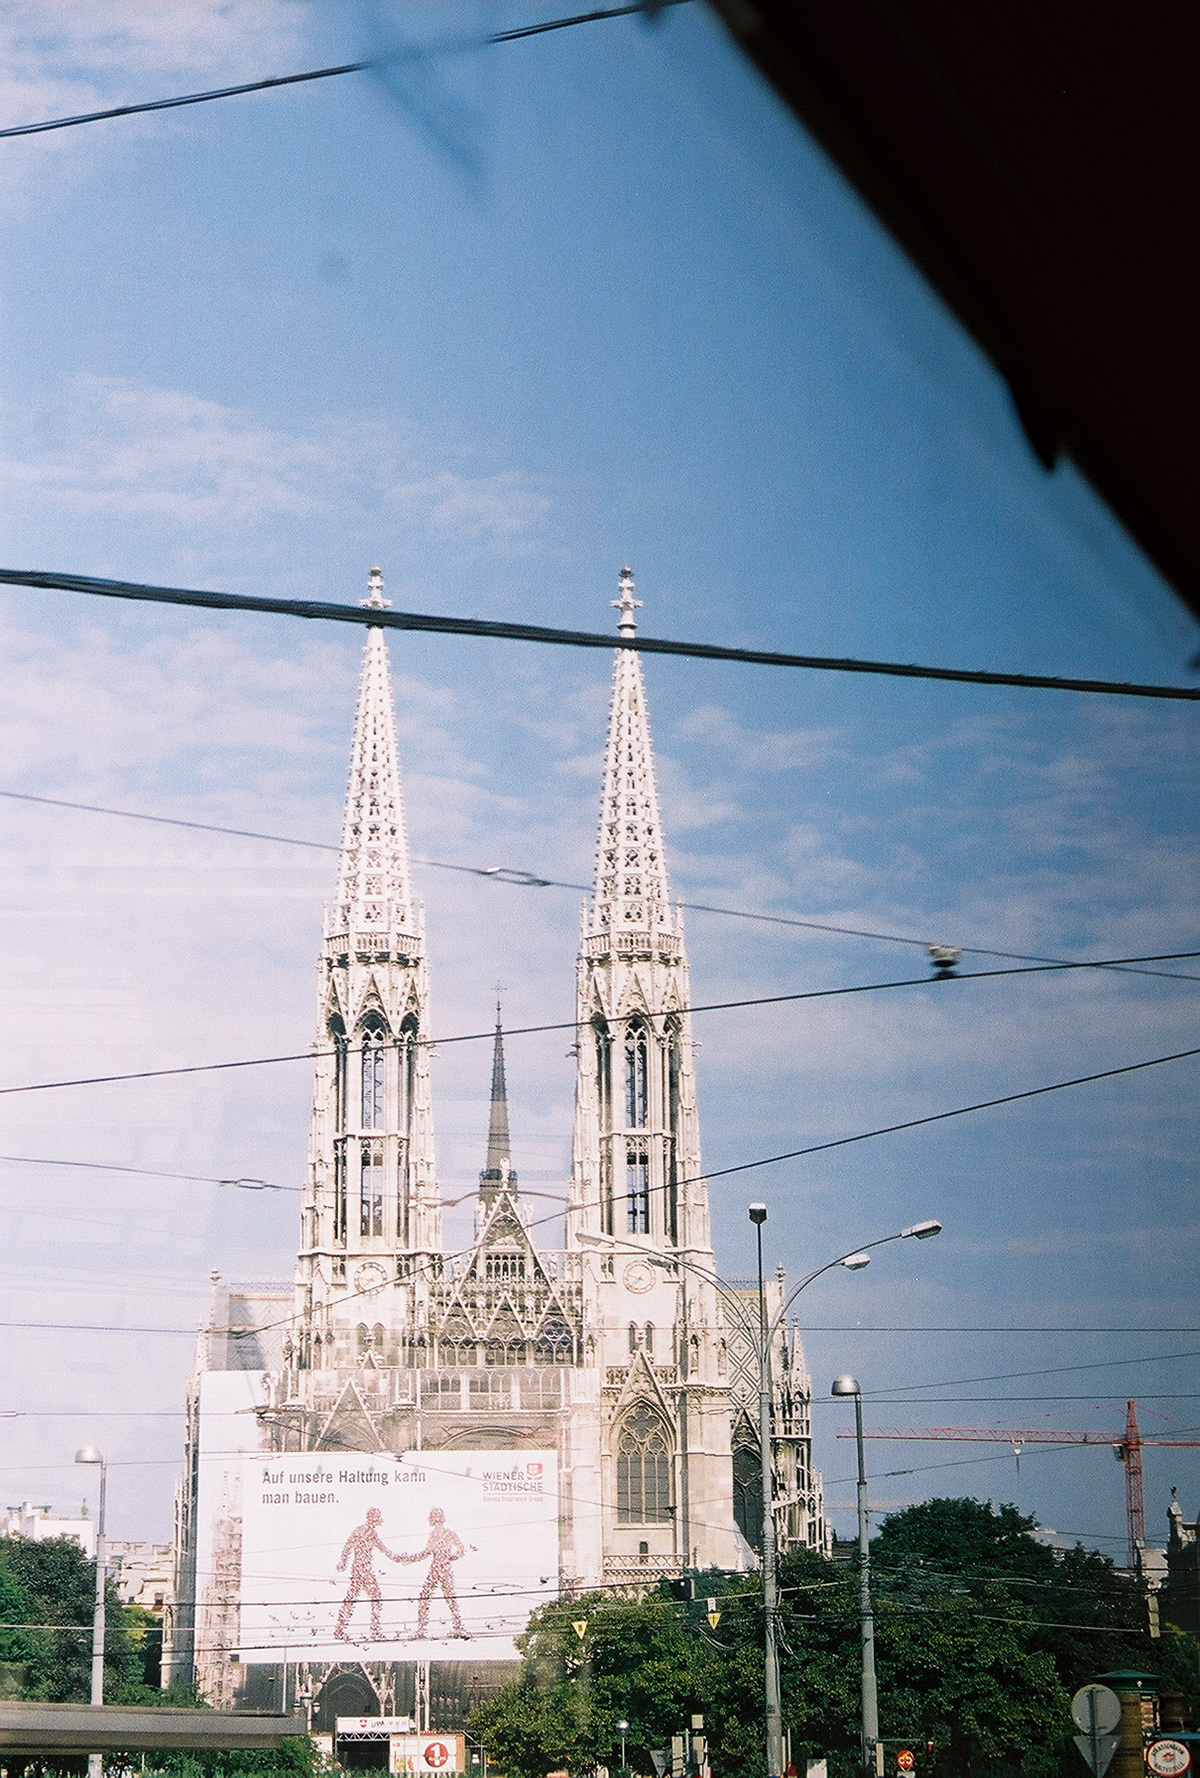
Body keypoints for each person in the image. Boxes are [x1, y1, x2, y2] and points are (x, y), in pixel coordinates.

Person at [396, 1506, 468, 1638]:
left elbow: (460, 1550)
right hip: (439, 1568)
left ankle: (424, 1629)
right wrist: (450, 1558)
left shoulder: (444, 1533)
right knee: (443, 1598)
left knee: (434, 1597)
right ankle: (452, 1627)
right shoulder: (439, 1534)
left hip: (440, 1568)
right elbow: (459, 1550)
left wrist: (449, 1558)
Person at [334, 1506, 397, 1643]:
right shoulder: (368, 1532)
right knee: (374, 1597)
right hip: (363, 1569)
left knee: (352, 1599)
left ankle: (339, 1630)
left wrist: (343, 1562)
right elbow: (383, 1549)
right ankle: (374, 1631)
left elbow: (348, 1547)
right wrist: (396, 1558)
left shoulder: (361, 1531)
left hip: (358, 1569)